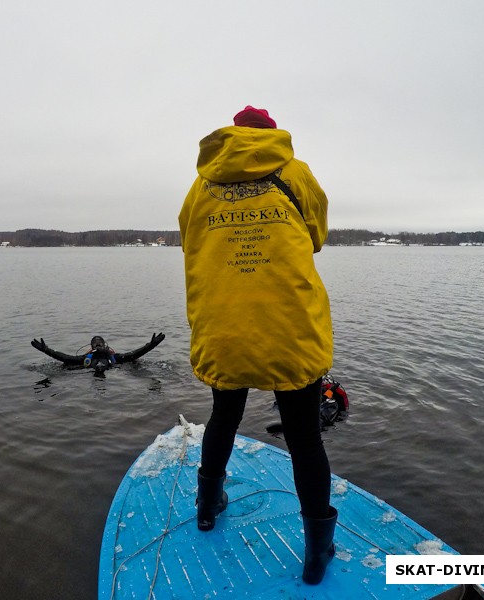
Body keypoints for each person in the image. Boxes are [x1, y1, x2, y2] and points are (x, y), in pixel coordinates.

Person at [179, 106, 336, 585]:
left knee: (223, 415)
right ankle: (316, 551)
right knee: (304, 435)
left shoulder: (200, 185)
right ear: (272, 136)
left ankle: (208, 507)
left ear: (232, 135)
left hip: (225, 324)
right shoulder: (295, 173)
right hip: (286, 323)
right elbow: (316, 238)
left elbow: (191, 240)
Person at [30, 333, 165, 373]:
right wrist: (46, 349)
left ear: (105, 345)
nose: (98, 345)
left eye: (100, 343)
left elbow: (135, 354)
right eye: (96, 343)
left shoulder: (115, 357)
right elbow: (65, 358)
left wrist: (151, 344)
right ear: (91, 346)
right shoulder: (85, 359)